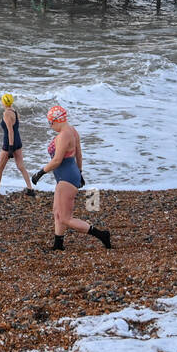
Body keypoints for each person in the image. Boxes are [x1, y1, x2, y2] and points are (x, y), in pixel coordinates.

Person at [31, 105, 111, 251]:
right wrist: (80, 173)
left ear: (57, 120)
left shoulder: (63, 136)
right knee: (57, 212)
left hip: (66, 178)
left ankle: (102, 235)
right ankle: (58, 245)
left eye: (50, 123)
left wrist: (40, 173)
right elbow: (79, 155)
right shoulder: (73, 131)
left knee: (66, 218)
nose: (50, 126)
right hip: (70, 175)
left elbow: (57, 161)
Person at [0, 93, 35, 197]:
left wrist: (10, 148)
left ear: (3, 102)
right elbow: (16, 128)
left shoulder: (7, 114)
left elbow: (10, 131)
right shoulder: (15, 112)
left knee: (0, 168)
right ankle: (30, 189)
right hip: (18, 141)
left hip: (9, 142)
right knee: (21, 166)